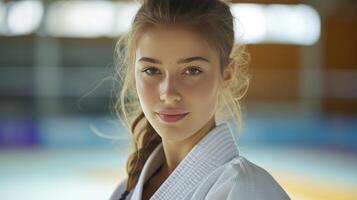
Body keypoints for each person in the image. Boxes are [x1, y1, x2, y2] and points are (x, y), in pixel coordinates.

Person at [110, 0, 291, 199]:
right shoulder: (125, 191)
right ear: (134, 75)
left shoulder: (246, 190)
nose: (169, 93)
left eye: (192, 70)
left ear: (227, 74)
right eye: (151, 70)